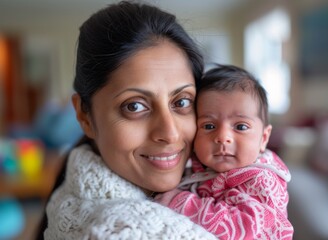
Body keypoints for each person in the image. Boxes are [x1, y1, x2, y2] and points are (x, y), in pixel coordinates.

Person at [37, 1, 218, 239]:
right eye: (134, 106)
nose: (170, 133)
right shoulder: (125, 230)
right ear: (84, 116)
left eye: (182, 102)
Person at [155, 65, 294, 240]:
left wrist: (181, 202)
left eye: (241, 126)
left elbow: (242, 228)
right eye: (209, 126)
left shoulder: (260, 180)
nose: (222, 137)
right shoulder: (199, 162)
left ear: (264, 138)